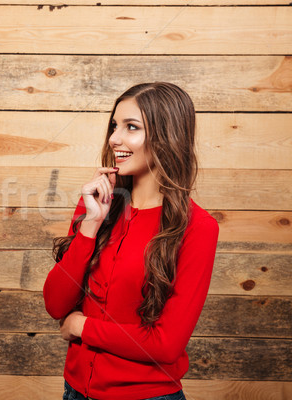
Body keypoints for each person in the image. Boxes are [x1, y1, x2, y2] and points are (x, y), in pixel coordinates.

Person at [43, 82, 219, 400]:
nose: (114, 139)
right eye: (115, 125)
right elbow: (56, 304)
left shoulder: (198, 227)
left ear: (168, 137)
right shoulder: (95, 205)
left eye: (131, 127)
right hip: (74, 391)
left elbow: (166, 344)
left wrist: (82, 327)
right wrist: (90, 227)